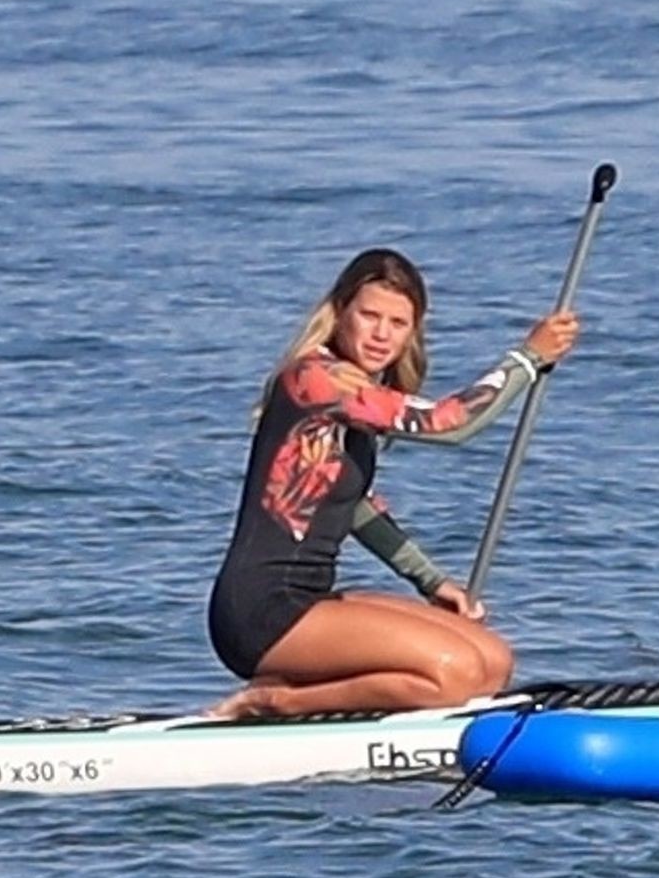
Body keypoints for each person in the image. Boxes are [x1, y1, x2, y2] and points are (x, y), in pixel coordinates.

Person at [206, 247, 578, 719]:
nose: (382, 334)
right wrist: (528, 358)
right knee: (455, 675)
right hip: (260, 611)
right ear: (340, 312)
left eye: (398, 323)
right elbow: (449, 422)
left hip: (311, 597)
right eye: (369, 316)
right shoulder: (316, 378)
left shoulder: (353, 399)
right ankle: (275, 700)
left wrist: (431, 581)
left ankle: (310, 689)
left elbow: (356, 510)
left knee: (492, 662)